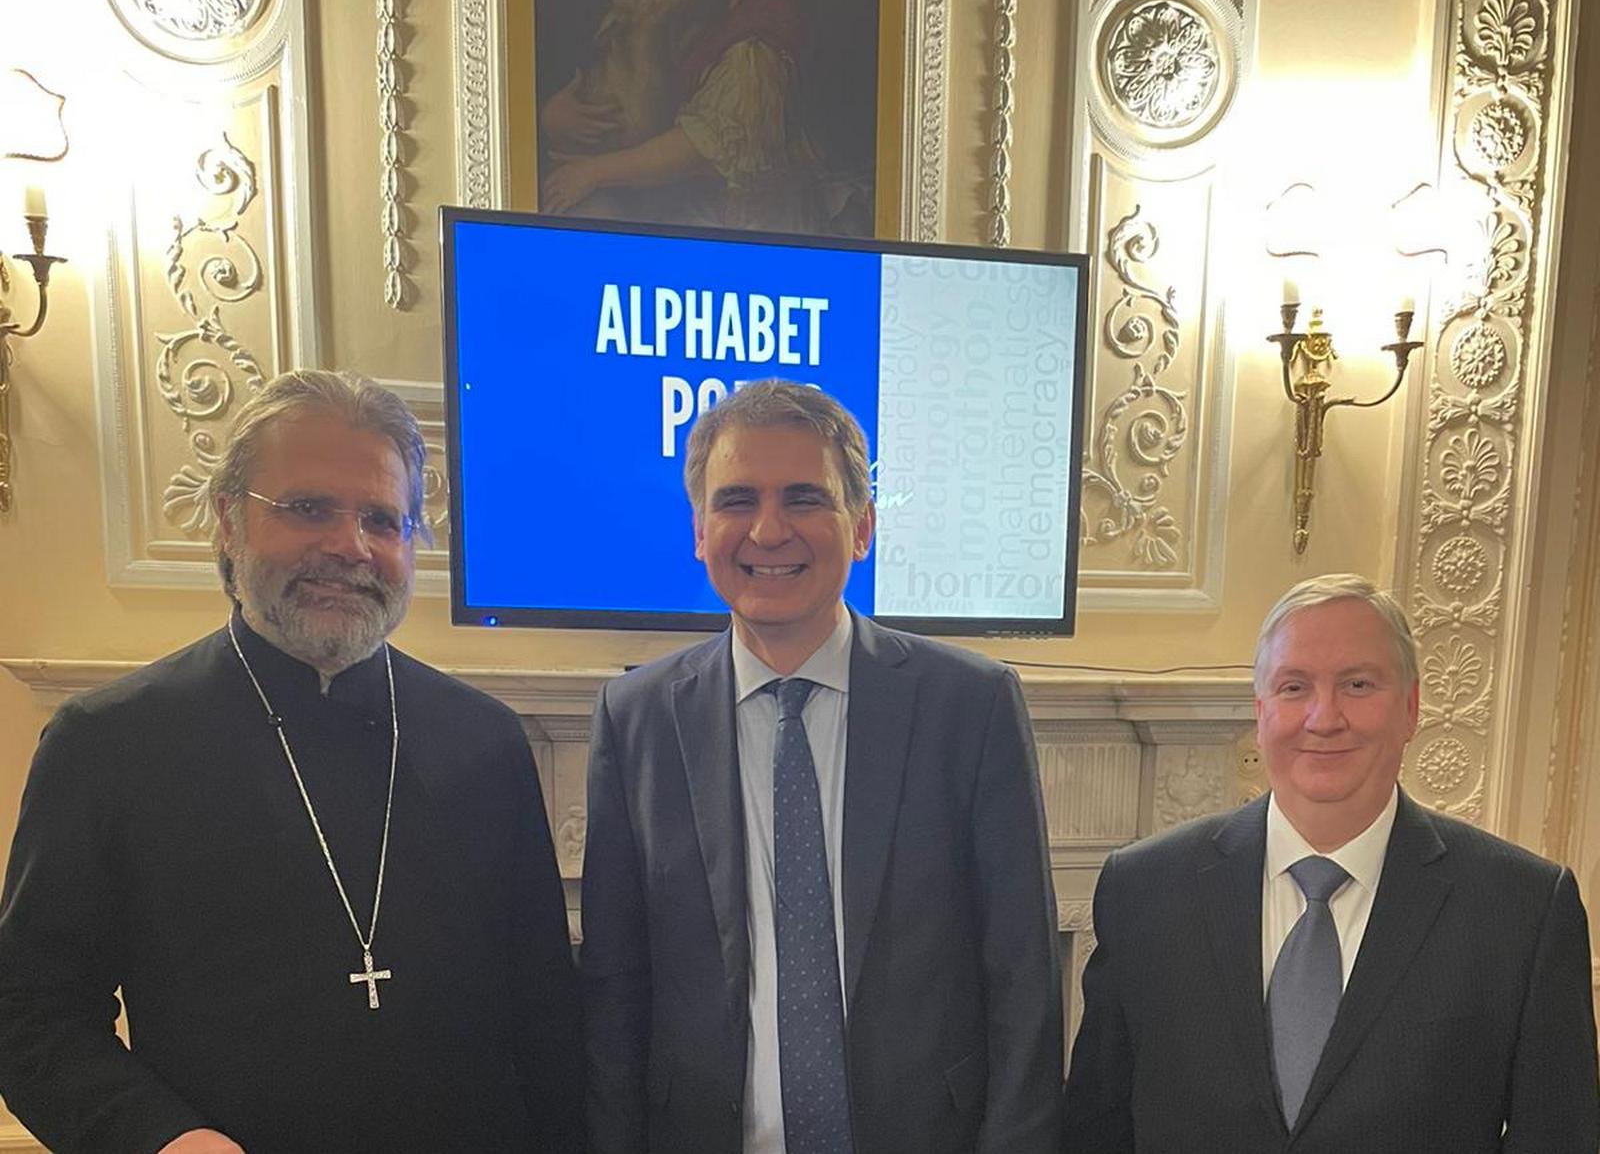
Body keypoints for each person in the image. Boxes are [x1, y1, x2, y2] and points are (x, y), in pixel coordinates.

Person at [0, 371, 583, 1154]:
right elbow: (31, 1014)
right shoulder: (106, 742)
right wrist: (163, 1138)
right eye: (308, 508)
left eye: (382, 518)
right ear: (227, 520)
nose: (350, 546)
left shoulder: (486, 740)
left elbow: (546, 1015)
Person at [581, 379, 1063, 1154]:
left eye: (804, 498)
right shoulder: (636, 718)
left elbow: (1023, 980)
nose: (769, 530)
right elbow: (615, 991)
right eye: (737, 500)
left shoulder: (969, 706)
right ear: (700, 531)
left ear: (862, 526)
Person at [1062, 573, 1600, 1153]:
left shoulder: (1523, 909)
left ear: (1411, 708)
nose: (1324, 717)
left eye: (1358, 684)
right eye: (1294, 687)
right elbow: (1096, 1129)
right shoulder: (1143, 890)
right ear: (1261, 712)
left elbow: (1559, 1137)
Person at [540, 0, 844, 233]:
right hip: (693, 209)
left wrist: (594, 172)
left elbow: (703, 146)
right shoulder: (713, 4)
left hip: (747, 225)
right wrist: (552, 118)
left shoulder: (771, 17)